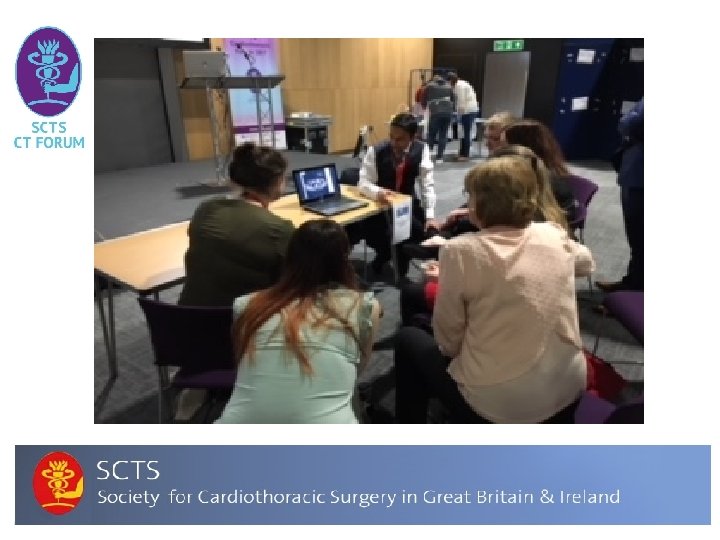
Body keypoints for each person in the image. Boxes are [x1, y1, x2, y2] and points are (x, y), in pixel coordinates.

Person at [394, 154, 595, 423]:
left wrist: (450, 281)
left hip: (500, 406)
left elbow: (448, 340)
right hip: (568, 388)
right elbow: (586, 264)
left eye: (470, 197)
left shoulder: (459, 251)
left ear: (480, 205)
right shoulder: (552, 232)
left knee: (408, 339)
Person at [215, 219, 382, 424]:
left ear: (290, 256)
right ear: (344, 260)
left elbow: (243, 362)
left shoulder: (247, 305)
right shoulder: (365, 307)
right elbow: (357, 369)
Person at [400, 145, 571, 326]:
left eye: (471, 197)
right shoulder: (552, 231)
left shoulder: (464, 250)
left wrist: (447, 277)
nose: (468, 204)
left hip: (495, 320)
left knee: (412, 299)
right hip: (530, 319)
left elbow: (452, 332)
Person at [178, 142, 295, 307]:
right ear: (276, 182)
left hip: (185, 314)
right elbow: (295, 280)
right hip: (240, 318)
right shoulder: (278, 229)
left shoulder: (206, 208)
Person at [356, 113, 438, 278]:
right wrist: (378, 192)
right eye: (391, 137)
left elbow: (427, 184)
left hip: (407, 203)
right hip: (381, 206)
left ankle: (396, 264)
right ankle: (387, 260)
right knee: (386, 237)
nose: (393, 143)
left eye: (400, 139)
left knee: (426, 233)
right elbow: (363, 183)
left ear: (413, 137)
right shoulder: (376, 151)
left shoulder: (421, 149)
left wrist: (430, 215)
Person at [596, 97, 644, 292]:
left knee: (639, 235)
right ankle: (633, 282)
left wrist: (629, 118)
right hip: (636, 174)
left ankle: (634, 291)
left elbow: (631, 123)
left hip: (640, 177)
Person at [502, 119, 578, 224]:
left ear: (522, 149)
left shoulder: (542, 183)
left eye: (504, 145)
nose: (499, 150)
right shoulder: (551, 170)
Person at [421, 74, 455, 162]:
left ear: (433, 80)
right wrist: (452, 109)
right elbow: (454, 99)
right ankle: (440, 157)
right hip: (447, 113)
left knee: (431, 135)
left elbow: (423, 99)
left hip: (435, 113)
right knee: (443, 135)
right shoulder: (449, 86)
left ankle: (428, 156)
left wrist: (425, 107)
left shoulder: (429, 86)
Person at [447, 72, 479, 161]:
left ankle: (465, 154)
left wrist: (458, 114)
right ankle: (462, 152)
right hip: (468, 110)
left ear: (450, 80)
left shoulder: (459, 86)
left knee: (466, 133)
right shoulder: (460, 84)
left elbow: (461, 102)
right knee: (463, 133)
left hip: (468, 111)